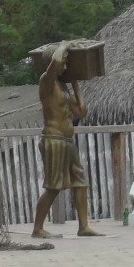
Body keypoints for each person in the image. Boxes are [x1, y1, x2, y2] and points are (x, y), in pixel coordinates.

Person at [32, 41, 104, 238]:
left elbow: (80, 111)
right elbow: (55, 62)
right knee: (53, 187)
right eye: (64, 62)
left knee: (80, 181)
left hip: (67, 141)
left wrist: (75, 83)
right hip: (53, 139)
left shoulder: (63, 86)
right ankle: (37, 228)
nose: (65, 65)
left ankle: (83, 226)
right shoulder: (46, 82)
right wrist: (64, 45)